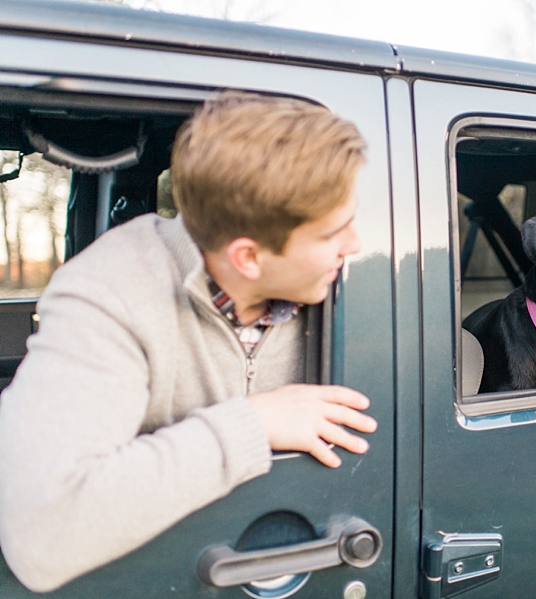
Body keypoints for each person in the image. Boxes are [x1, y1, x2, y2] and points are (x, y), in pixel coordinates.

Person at [0, 92, 377, 592]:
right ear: (248, 258)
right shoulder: (110, 292)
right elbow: (40, 537)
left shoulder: (353, 287)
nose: (356, 245)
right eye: (335, 232)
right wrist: (253, 424)